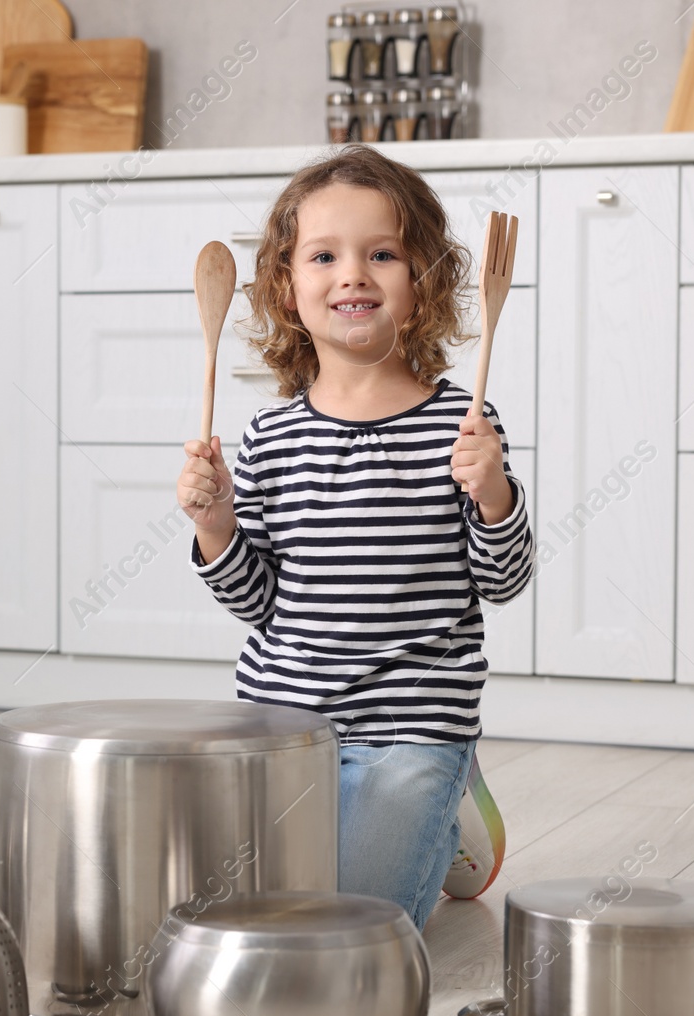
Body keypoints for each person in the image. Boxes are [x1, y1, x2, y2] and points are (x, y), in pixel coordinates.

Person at [176, 144, 533, 929]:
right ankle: (431, 815)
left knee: (352, 922)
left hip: (414, 724)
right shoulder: (269, 435)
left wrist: (494, 491)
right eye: (325, 255)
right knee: (230, 905)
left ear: (424, 279)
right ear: (286, 286)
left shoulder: (462, 425)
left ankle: (448, 812)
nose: (353, 275)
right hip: (286, 724)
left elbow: (502, 581)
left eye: (382, 254)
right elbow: (257, 600)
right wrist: (216, 527)